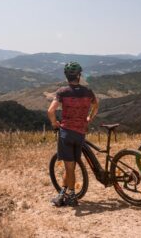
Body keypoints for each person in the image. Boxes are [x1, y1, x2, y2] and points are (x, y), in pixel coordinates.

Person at [48, 62, 99, 207]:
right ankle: (63, 192)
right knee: (71, 165)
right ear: (79, 75)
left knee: (69, 167)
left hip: (67, 134)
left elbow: (50, 111)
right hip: (80, 133)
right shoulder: (88, 91)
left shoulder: (62, 91)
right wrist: (89, 118)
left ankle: (71, 196)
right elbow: (96, 105)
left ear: (66, 76)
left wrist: (54, 123)